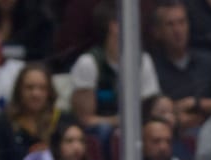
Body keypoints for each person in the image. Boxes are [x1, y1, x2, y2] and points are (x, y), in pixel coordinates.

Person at [69, 0, 163, 134]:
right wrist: (119, 122)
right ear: (113, 26)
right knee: (104, 130)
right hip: (101, 133)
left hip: (138, 128)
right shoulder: (89, 63)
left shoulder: (143, 60)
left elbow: (149, 105)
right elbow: (85, 119)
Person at [149, 0, 211, 133]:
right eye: (170, 25)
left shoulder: (209, 62)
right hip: (172, 137)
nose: (177, 30)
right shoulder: (151, 67)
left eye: (182, 22)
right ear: (157, 32)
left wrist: (196, 103)